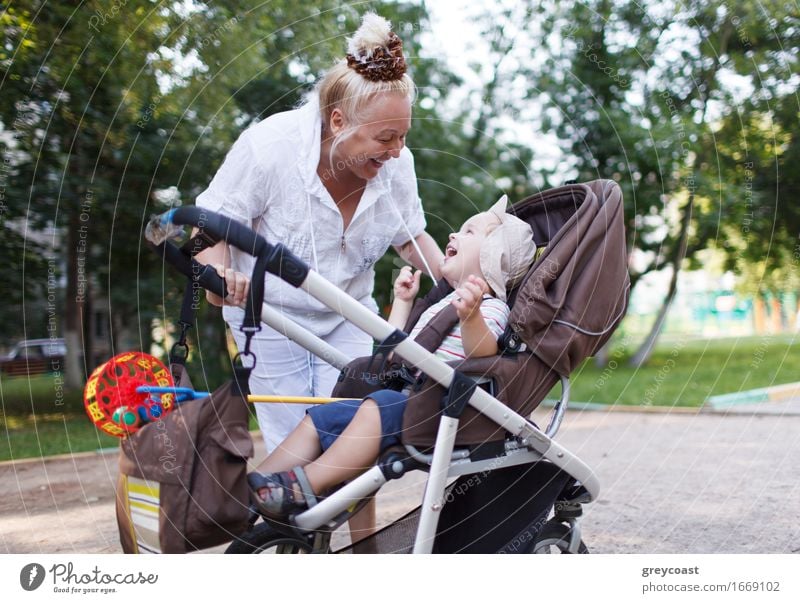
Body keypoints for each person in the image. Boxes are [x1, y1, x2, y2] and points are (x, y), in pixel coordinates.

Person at [194, 13, 443, 455]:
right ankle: (293, 523)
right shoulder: (270, 148)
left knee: (353, 437)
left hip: (348, 311)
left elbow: (410, 237)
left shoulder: (395, 163)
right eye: (386, 137)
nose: (398, 150)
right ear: (337, 122)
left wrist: (458, 284)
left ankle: (355, 526)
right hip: (270, 316)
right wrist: (219, 280)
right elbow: (209, 226)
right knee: (293, 444)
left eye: (403, 136)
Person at [247, 196, 538, 519]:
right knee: (323, 417)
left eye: (469, 232)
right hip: (407, 402)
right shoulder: (441, 305)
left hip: (442, 411)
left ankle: (300, 488)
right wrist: (403, 302)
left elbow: (483, 356)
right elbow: (398, 353)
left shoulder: (490, 307)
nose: (453, 235)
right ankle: (252, 489)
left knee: (378, 404)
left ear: (492, 257)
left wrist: (471, 319)